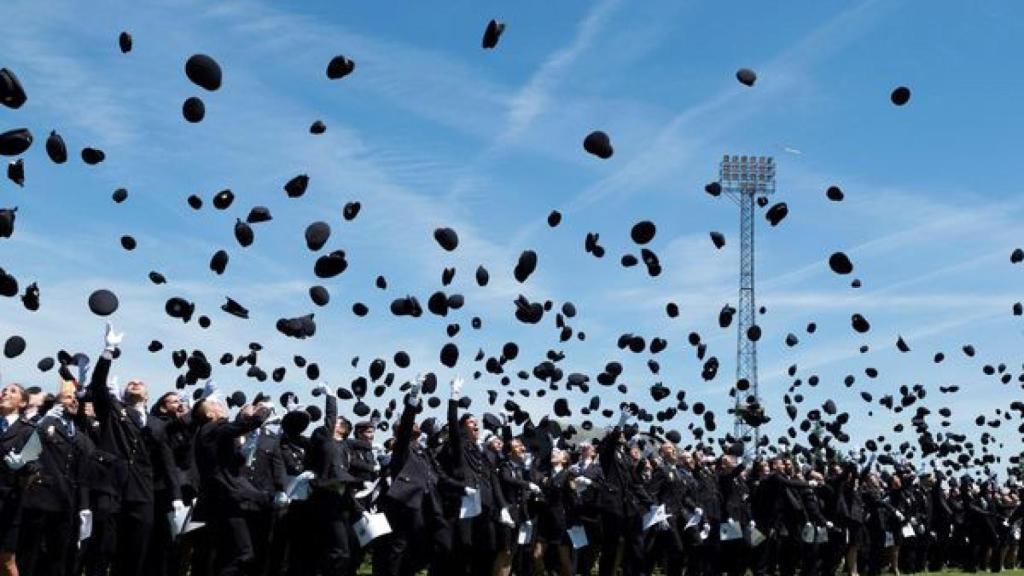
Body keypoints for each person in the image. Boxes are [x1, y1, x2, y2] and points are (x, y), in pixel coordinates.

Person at [86, 323, 156, 576]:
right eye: (131, 382)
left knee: (136, 549)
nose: (135, 383)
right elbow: (97, 385)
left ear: (148, 395)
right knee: (103, 546)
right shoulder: (115, 410)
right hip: (111, 486)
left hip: (142, 491)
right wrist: (108, 351)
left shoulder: (157, 422)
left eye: (140, 383)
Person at [193, 389, 273, 576]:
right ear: (209, 414)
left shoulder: (214, 433)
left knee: (227, 553)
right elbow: (250, 423)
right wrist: (262, 410)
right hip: (227, 499)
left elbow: (236, 458)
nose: (219, 404)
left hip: (224, 499)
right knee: (243, 554)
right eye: (214, 404)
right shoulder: (212, 428)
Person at [0, 382, 35, 576]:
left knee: (6, 561)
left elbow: (36, 465)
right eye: (4, 390)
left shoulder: (28, 430)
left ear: (22, 403)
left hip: (8, 502)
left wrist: (23, 465)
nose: (5, 392)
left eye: (12, 391)